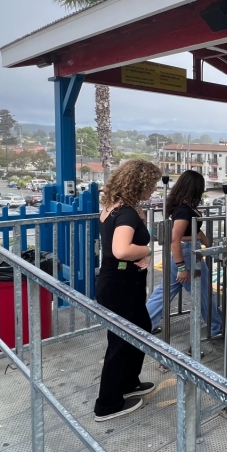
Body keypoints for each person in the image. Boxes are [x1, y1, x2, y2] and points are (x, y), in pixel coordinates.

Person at [93, 159, 162, 422]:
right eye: (152, 184)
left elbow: (118, 246)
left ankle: (129, 382)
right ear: (140, 184)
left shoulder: (115, 209)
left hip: (119, 282)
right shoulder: (127, 214)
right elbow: (120, 250)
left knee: (140, 329)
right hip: (120, 286)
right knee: (122, 342)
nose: (154, 189)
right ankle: (107, 404)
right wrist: (146, 250)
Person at [146, 170, 223, 338]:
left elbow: (181, 235)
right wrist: (182, 267)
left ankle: (144, 323)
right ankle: (216, 328)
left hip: (184, 253)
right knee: (203, 293)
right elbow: (175, 238)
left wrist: (200, 237)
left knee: (164, 292)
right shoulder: (184, 211)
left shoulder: (183, 207)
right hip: (187, 255)